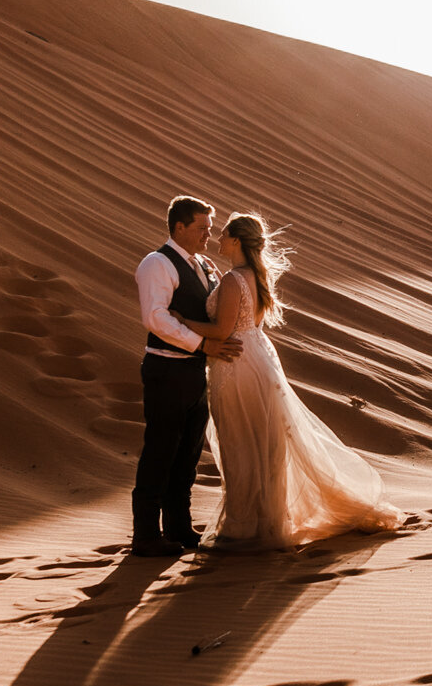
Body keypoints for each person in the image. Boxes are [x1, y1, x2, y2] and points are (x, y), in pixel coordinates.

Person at [189, 211, 403, 549]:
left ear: (236, 241)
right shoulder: (253, 276)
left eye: (224, 234)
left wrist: (179, 320)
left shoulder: (233, 280)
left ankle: (245, 526)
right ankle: (266, 522)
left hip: (235, 364)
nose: (218, 239)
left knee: (240, 442)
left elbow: (221, 330)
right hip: (258, 357)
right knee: (265, 442)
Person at [129, 196, 238, 557]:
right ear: (179, 227)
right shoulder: (157, 263)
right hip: (166, 369)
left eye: (210, 228)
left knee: (188, 453)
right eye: (202, 228)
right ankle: (145, 534)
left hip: (196, 373)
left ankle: (178, 526)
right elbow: (156, 318)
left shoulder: (205, 264)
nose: (209, 234)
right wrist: (201, 345)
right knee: (161, 449)